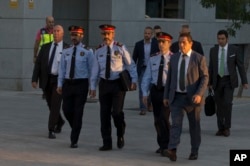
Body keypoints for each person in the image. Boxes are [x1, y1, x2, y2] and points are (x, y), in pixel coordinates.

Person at [89, 24, 137, 151]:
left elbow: (130, 64)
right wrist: (92, 86)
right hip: (104, 84)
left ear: (113, 34)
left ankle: (120, 131)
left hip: (117, 84)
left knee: (116, 112)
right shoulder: (98, 50)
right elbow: (95, 69)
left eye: (108, 34)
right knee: (104, 114)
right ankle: (107, 142)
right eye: (103, 34)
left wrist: (134, 80)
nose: (106, 37)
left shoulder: (120, 48)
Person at [163, 33, 208, 161]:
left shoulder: (198, 58)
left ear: (190, 43)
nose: (181, 45)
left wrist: (199, 94)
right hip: (176, 97)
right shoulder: (174, 57)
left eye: (184, 42)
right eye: (180, 42)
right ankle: (172, 150)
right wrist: (166, 96)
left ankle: (194, 150)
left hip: (192, 99)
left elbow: (205, 77)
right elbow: (170, 78)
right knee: (176, 124)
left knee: (194, 126)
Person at [56, 25, 94, 148]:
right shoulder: (66, 51)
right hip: (68, 84)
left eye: (76, 35)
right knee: (66, 110)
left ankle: (74, 139)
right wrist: (60, 84)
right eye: (72, 35)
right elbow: (61, 69)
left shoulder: (88, 51)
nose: (74, 37)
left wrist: (92, 87)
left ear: (81, 36)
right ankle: (75, 127)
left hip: (81, 84)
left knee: (78, 112)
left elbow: (92, 70)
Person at [208, 29, 248, 137]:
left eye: (222, 39)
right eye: (219, 39)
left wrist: (244, 81)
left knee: (227, 103)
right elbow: (211, 67)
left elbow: (240, 66)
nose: (220, 41)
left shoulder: (234, 49)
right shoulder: (213, 50)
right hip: (217, 80)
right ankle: (220, 128)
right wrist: (209, 82)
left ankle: (227, 127)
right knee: (219, 105)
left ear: (227, 39)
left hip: (229, 81)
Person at [32, 25, 68, 139]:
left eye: (58, 31)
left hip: (59, 81)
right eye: (54, 31)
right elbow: (38, 63)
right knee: (50, 104)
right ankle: (60, 121)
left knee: (55, 105)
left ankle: (51, 129)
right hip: (47, 79)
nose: (56, 33)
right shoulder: (46, 47)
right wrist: (34, 79)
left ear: (62, 34)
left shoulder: (67, 48)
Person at [141, 32, 172, 155]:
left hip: (167, 91)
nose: (160, 44)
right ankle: (161, 144)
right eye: (159, 42)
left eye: (163, 42)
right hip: (155, 91)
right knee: (157, 120)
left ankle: (167, 145)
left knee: (164, 118)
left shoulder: (173, 58)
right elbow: (147, 77)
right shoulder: (153, 58)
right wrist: (144, 93)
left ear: (169, 43)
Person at [133, 26, 159, 115]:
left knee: (152, 88)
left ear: (151, 34)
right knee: (141, 89)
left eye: (148, 33)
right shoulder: (138, 44)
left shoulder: (156, 44)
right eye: (145, 33)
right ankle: (143, 108)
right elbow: (134, 58)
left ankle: (149, 102)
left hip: (153, 69)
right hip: (142, 69)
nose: (146, 35)